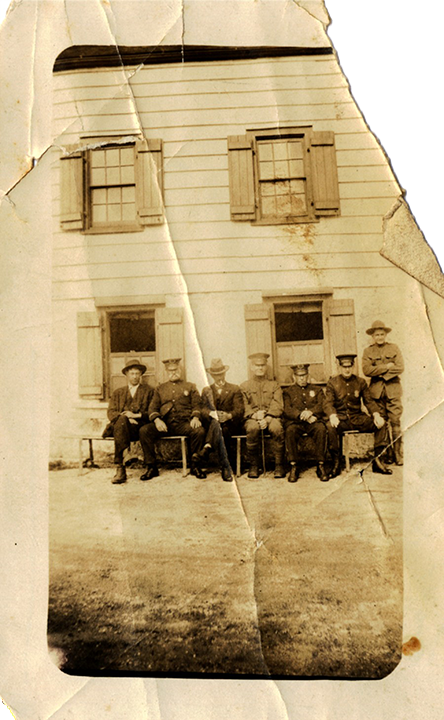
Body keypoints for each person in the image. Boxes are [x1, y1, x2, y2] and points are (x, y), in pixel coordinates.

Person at [139, 358, 207, 480]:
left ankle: (195, 466)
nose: (173, 373)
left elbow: (197, 405)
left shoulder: (190, 386)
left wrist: (196, 417)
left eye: (175, 370)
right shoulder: (160, 389)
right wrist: (157, 420)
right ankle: (151, 467)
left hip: (184, 423)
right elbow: (152, 408)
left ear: (180, 370)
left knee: (199, 431)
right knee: (144, 430)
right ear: (166, 372)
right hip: (166, 424)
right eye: (170, 371)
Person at [325, 354, 390, 477]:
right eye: (344, 367)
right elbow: (328, 403)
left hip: (357, 418)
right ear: (339, 367)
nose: (347, 370)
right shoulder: (333, 383)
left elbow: (369, 401)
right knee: (330, 427)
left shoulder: (360, 382)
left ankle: (377, 460)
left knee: (381, 424)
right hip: (340, 419)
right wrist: (333, 415)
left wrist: (376, 415)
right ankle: (336, 463)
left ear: (353, 366)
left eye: (350, 366)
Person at [102, 359, 153, 484]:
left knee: (121, 422)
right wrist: (127, 418)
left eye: (137, 374)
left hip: (138, 428)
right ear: (127, 375)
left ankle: (120, 465)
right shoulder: (118, 392)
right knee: (122, 420)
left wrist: (135, 416)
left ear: (141, 375)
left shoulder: (149, 391)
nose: (135, 376)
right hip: (122, 427)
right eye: (132, 374)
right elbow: (111, 413)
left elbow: (152, 412)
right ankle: (122, 466)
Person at [362, 320, 404, 465]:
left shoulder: (394, 348)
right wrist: (386, 367)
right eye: (376, 335)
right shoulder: (368, 351)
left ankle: (398, 454)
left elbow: (400, 367)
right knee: (382, 423)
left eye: (381, 334)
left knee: (395, 421)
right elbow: (367, 370)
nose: (379, 337)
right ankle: (387, 453)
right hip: (376, 393)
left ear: (385, 335)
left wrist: (379, 372)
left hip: (393, 390)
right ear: (372, 337)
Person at [196, 358, 244, 482]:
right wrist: (212, 413)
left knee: (223, 428)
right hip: (216, 425)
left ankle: (207, 448)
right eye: (215, 375)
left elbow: (240, 410)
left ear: (225, 373)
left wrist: (229, 416)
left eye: (221, 374)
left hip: (231, 424)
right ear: (212, 376)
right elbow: (202, 409)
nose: (219, 377)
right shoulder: (207, 390)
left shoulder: (234, 389)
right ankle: (225, 467)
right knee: (217, 425)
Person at [240, 353, 285, 479]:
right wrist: (254, 416)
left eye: (262, 365)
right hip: (252, 418)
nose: (260, 368)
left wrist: (268, 418)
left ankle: (279, 465)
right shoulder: (244, 386)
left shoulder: (274, 385)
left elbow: (278, 404)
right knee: (252, 428)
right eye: (257, 365)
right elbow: (243, 405)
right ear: (252, 367)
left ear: (266, 367)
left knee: (277, 428)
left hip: (271, 417)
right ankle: (254, 465)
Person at [283, 363, 328, 483]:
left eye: (304, 375)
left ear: (308, 375)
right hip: (296, 423)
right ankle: (294, 465)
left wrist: (311, 413)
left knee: (321, 429)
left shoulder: (317, 390)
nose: (302, 378)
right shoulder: (288, 391)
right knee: (290, 431)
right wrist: (301, 415)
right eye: (299, 376)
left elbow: (322, 405)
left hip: (313, 421)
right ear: (294, 377)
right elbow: (287, 409)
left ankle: (320, 465)